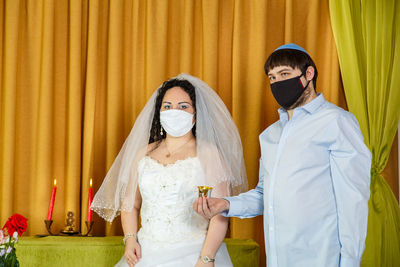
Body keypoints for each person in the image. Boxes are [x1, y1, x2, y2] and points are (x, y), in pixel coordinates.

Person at [194, 43, 371, 267]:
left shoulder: (337, 122)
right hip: (278, 258)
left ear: (309, 73)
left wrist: (350, 262)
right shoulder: (270, 135)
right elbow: (264, 195)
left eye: (284, 74)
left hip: (321, 257)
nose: (277, 83)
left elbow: (352, 201)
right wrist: (225, 204)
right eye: (272, 78)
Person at [91, 73, 248, 267]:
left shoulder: (209, 154)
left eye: (183, 106)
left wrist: (206, 258)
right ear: (159, 111)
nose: (174, 111)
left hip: (195, 254)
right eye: (167, 106)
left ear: (196, 114)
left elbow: (220, 214)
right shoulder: (143, 153)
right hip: (145, 254)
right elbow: (130, 204)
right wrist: (130, 238)